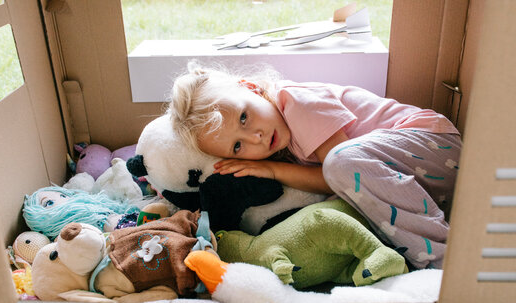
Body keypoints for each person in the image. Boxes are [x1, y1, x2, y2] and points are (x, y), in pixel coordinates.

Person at [168, 62, 462, 270]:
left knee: (340, 165)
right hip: (426, 184)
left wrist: (274, 171)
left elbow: (337, 173)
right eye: (237, 146)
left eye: (244, 117)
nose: (255, 137)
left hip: (436, 146)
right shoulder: (278, 137)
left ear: (251, 88)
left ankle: (441, 258)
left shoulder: (298, 102)